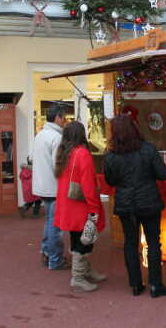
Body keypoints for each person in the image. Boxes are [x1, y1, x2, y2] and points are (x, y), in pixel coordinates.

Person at [104, 115, 166, 298]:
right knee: (153, 243)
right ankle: (155, 285)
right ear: (134, 128)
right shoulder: (148, 149)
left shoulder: (111, 155)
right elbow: (162, 175)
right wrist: (165, 165)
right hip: (148, 201)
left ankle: (135, 284)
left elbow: (110, 180)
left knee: (130, 243)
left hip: (126, 204)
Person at [54, 121, 106, 293]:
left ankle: (84, 270)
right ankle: (77, 277)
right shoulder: (82, 153)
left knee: (78, 238)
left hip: (68, 205)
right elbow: (88, 185)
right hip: (80, 206)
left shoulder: (64, 153)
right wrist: (94, 209)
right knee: (84, 241)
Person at [32, 104, 66, 270]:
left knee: (49, 221)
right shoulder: (56, 137)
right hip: (54, 187)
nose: (64, 121)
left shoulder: (39, 135)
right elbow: (57, 165)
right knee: (55, 224)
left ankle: (46, 251)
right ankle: (55, 259)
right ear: (58, 118)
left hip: (41, 185)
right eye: (63, 118)